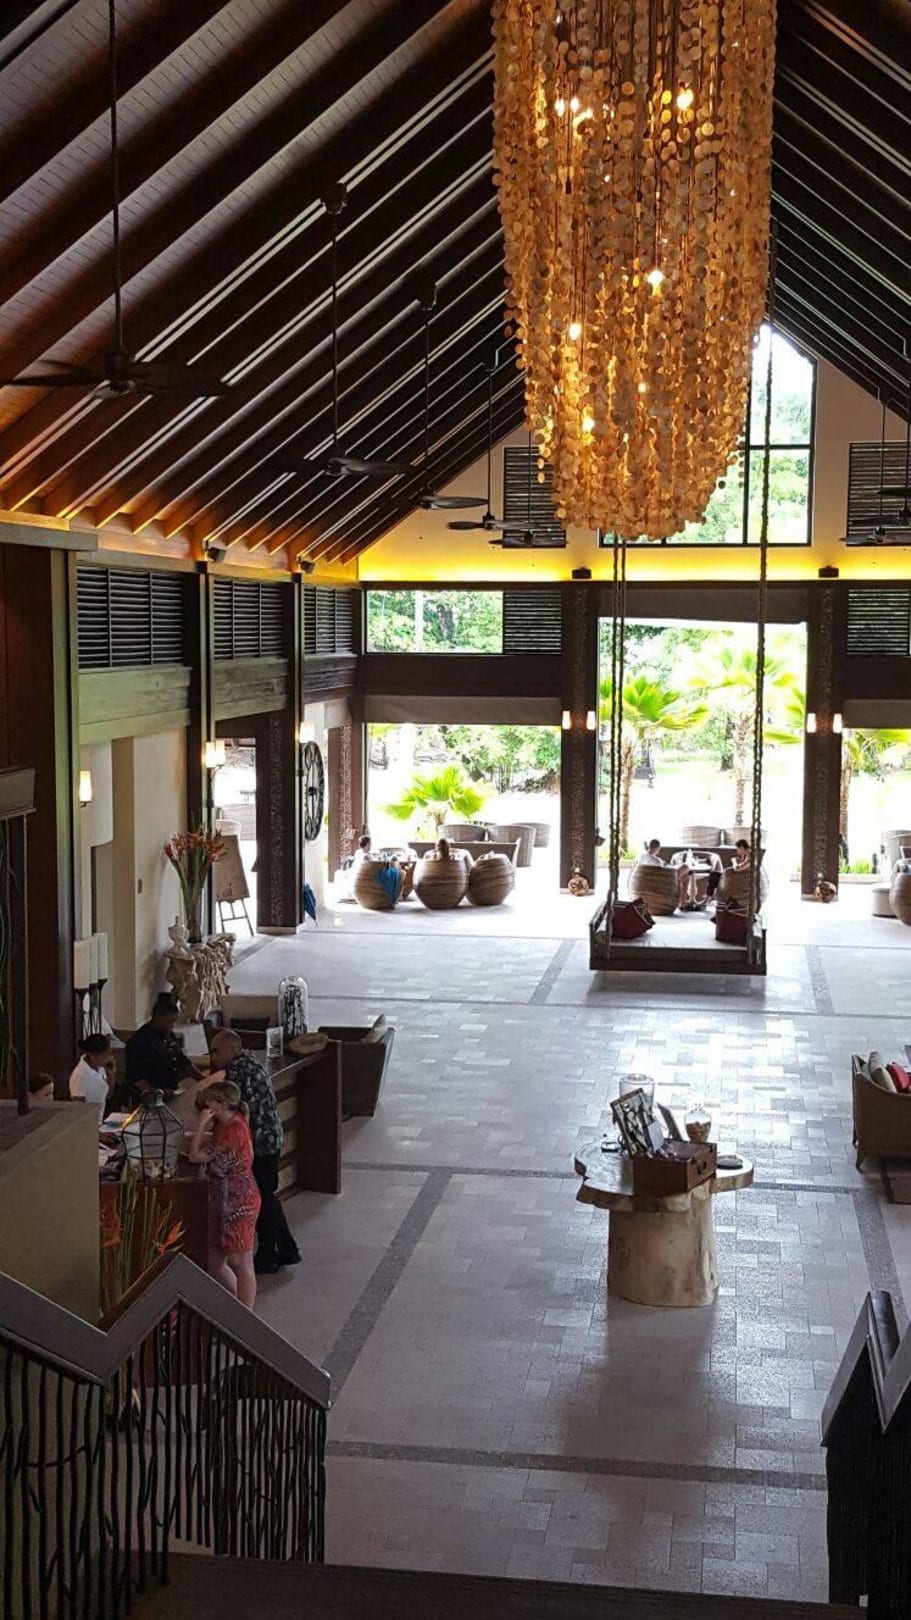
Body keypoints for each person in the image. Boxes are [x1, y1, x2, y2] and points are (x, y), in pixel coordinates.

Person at [204, 1028, 301, 1275]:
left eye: (216, 1051)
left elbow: (226, 1104)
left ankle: (270, 1255)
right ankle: (286, 1249)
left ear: (232, 1049)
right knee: (267, 1196)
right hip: (271, 1138)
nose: (213, 1056)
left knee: (263, 1198)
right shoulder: (250, 1061)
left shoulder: (238, 1071)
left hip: (259, 1143)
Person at [187, 1079, 260, 1309]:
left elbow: (195, 1156)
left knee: (241, 1261)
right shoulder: (225, 1125)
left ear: (221, 1104)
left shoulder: (234, 1131)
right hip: (223, 1199)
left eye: (210, 1101)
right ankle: (236, 1308)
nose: (206, 1105)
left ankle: (245, 1316)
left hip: (238, 1201)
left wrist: (200, 1125)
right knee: (216, 1263)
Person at [124, 993, 201, 1104]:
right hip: (153, 1096)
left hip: (174, 1090)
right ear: (157, 1017)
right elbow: (136, 1079)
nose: (173, 1025)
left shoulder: (169, 1035)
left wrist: (201, 1078)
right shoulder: (140, 1041)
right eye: (170, 1021)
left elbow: (183, 1061)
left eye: (174, 1021)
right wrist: (158, 1093)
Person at [69, 1033, 114, 1122]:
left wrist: (111, 1073)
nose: (109, 1058)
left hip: (99, 1120)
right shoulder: (81, 1075)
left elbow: (108, 1095)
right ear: (92, 1056)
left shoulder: (101, 1068)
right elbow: (78, 1109)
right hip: (87, 1124)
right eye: (105, 1056)